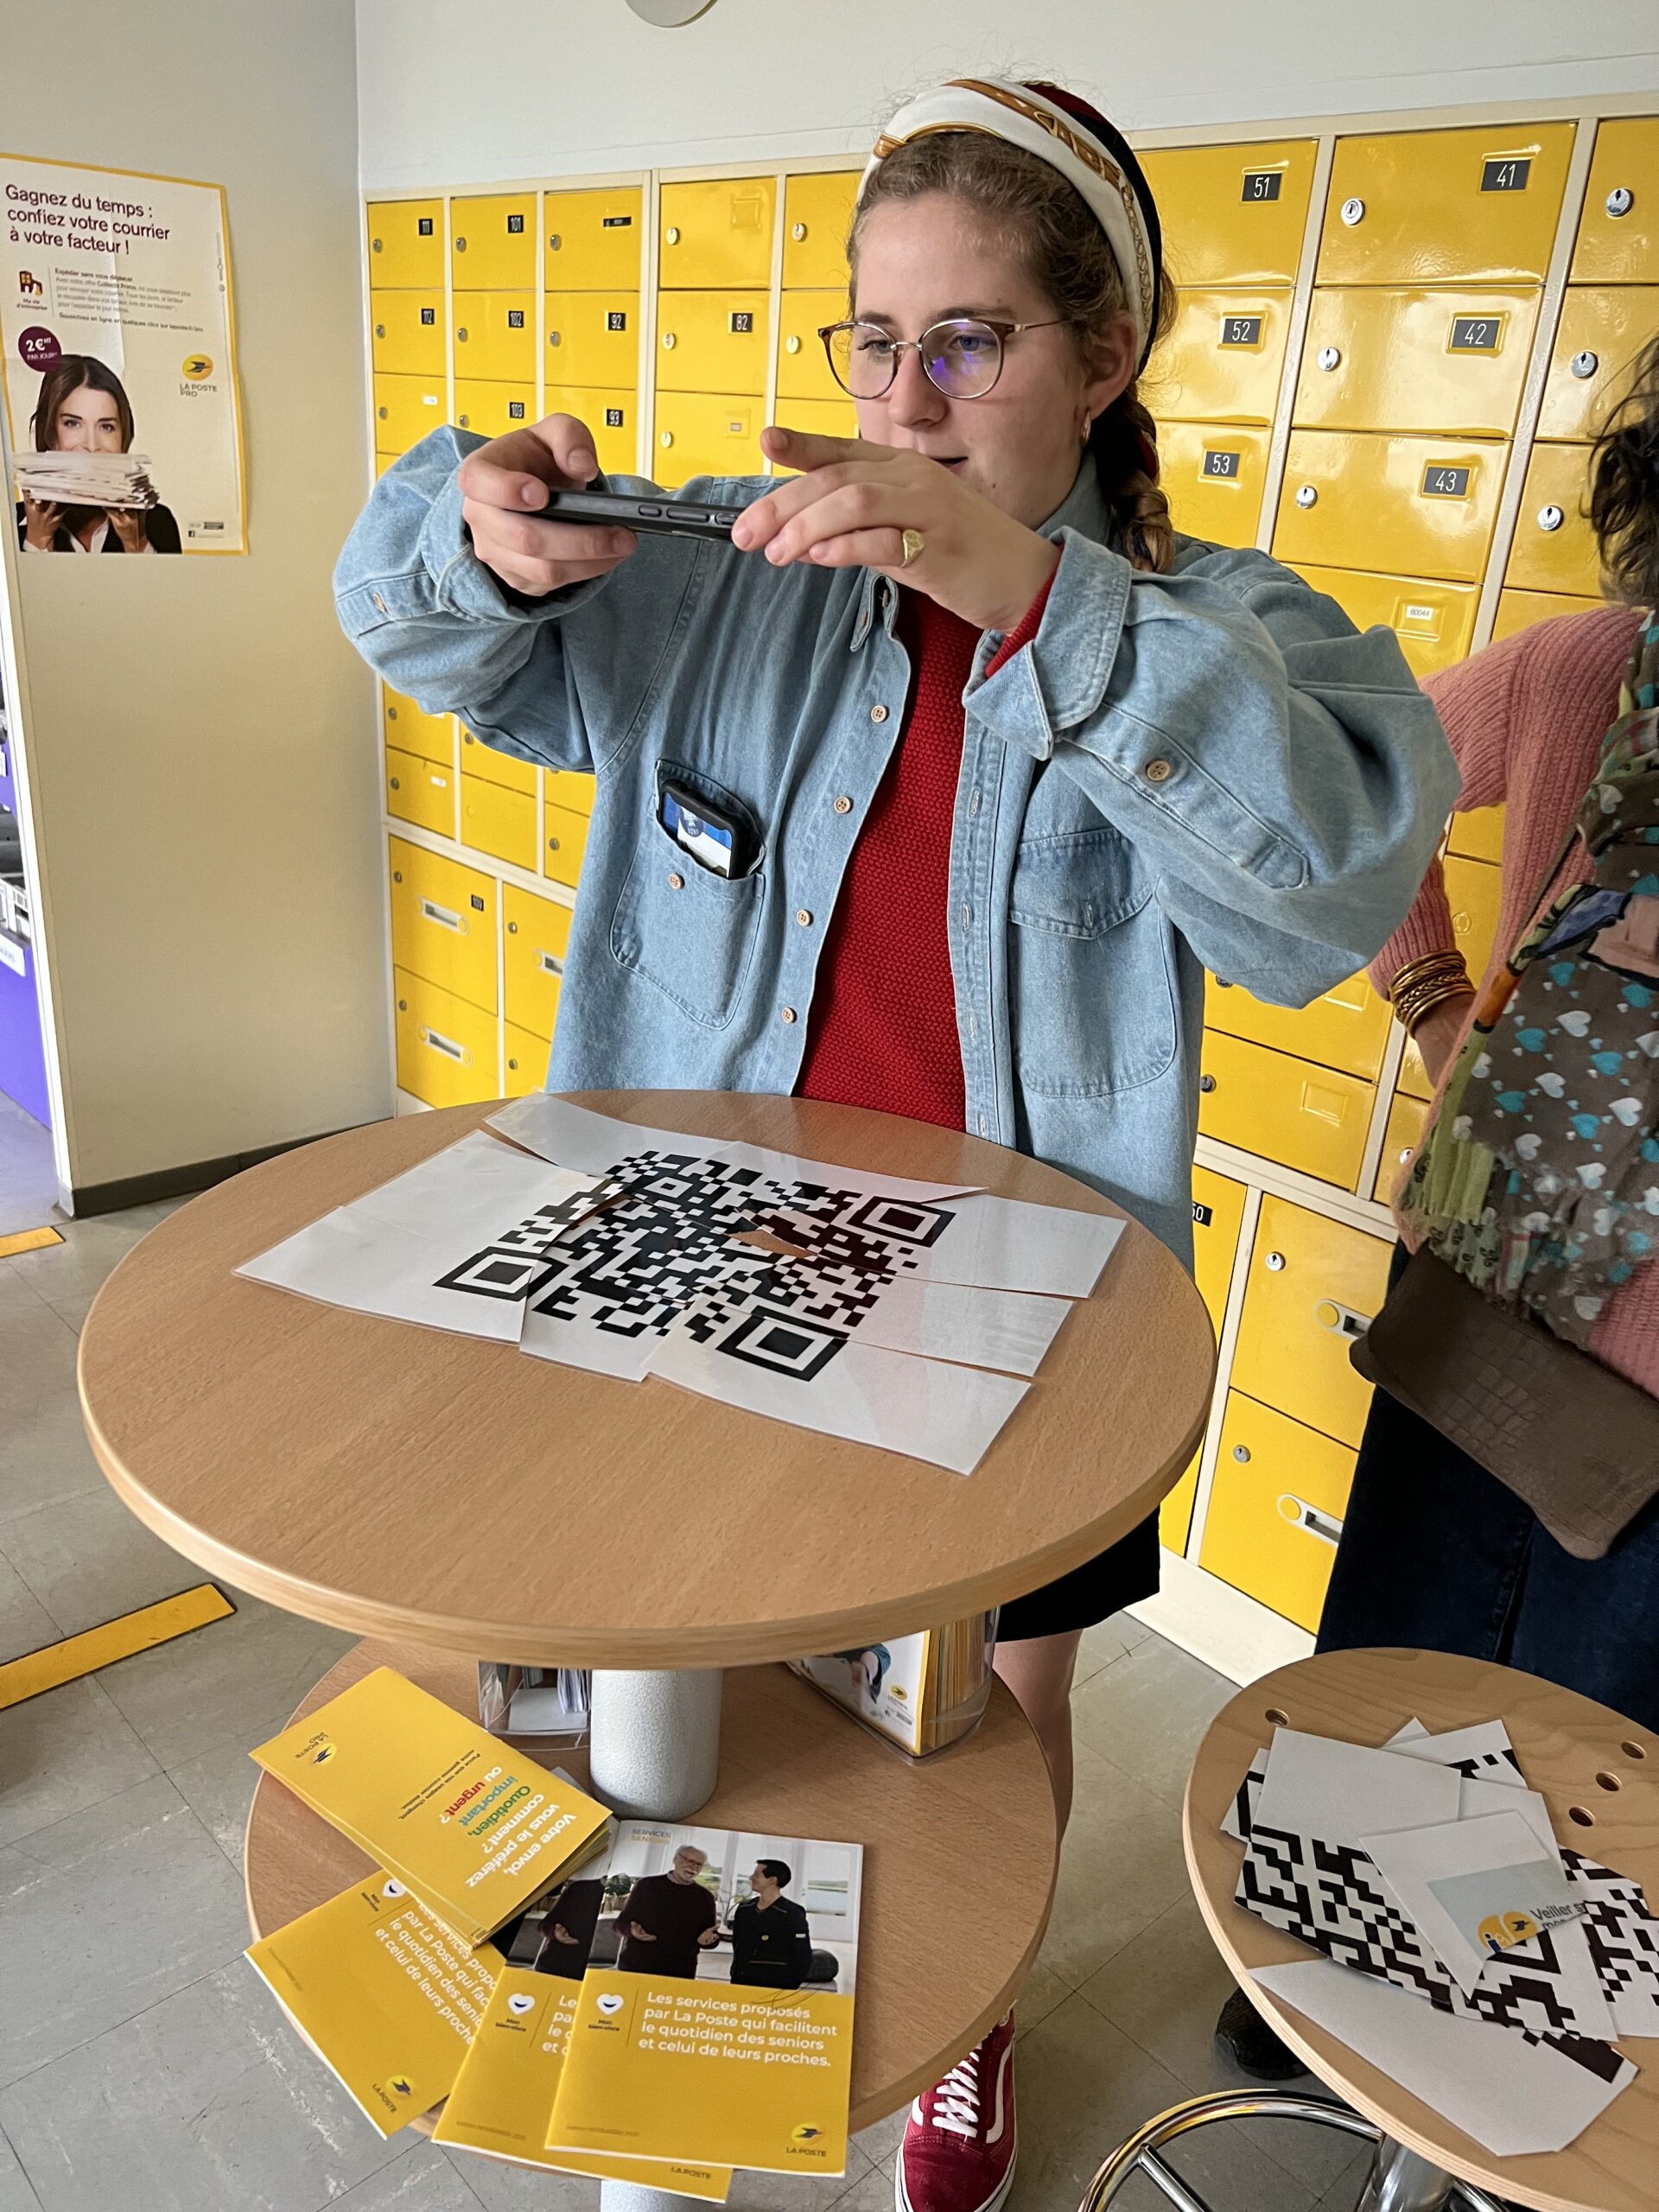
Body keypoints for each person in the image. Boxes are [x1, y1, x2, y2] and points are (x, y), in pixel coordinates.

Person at [335, 74, 1456, 2212]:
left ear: (1103, 353)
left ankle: (971, 2013)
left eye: (971, 341)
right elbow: (415, 626)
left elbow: (1325, 886)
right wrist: (475, 537)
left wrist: (1035, 602)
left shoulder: (1220, 625)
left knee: (983, 1699)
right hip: (700, 1254)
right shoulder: (737, 578)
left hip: (1012, 1320)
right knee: (669, 1648)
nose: (905, 403)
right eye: (874, 341)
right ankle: (664, 1974)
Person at [1217, 336, 1659, 2084]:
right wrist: (1428, 1003)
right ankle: (1313, 2005)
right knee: (1388, 1691)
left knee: (1580, 1788)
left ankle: (1478, 2096)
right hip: (1482, 1282)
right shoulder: (1587, 669)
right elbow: (1345, 784)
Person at [16, 355, 180, 554]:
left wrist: (136, 545)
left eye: (106, 427)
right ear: (50, 434)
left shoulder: (158, 523)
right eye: (72, 423)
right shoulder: (9, 524)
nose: (92, 445)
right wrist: (38, 541)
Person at [613, 1843, 721, 1980]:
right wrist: (631, 1930)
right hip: (637, 1966)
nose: (694, 1867)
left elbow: (711, 1936)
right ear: (675, 1859)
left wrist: (709, 1940)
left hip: (680, 1971)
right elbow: (620, 1924)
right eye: (690, 1861)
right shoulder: (647, 1885)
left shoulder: (705, 1897)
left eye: (699, 1864)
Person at [728, 1859, 814, 1989]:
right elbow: (738, 1946)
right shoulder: (744, 1909)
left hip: (775, 1984)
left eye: (757, 1874)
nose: (751, 1877)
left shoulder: (792, 1913)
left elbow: (802, 1956)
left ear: (772, 1880)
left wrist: (791, 1985)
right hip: (741, 1982)